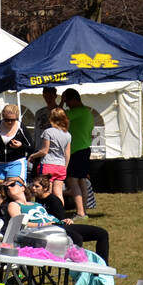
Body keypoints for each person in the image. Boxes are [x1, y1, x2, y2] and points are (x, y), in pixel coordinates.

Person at [30, 174, 110, 262]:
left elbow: (60, 219)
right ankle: (78, 263)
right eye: (33, 185)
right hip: (50, 229)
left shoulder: (54, 200)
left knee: (102, 233)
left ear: (45, 188)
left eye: (37, 186)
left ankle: (103, 265)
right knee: (77, 237)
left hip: (60, 226)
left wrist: (65, 220)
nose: (33, 188)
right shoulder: (38, 199)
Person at [62, 88, 94, 219]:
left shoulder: (77, 112)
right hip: (84, 149)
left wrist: (59, 103)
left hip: (76, 150)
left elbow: (57, 116)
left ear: (74, 99)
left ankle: (80, 212)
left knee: (72, 180)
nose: (67, 105)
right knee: (81, 181)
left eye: (67, 102)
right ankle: (83, 211)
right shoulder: (86, 112)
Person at [30, 106, 71, 205]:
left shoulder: (48, 132)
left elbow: (44, 151)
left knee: (45, 192)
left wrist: (33, 156)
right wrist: (65, 167)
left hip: (47, 164)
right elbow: (67, 153)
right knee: (58, 193)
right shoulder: (68, 134)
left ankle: (46, 213)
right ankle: (60, 213)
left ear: (51, 118)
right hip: (60, 166)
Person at [0, 104, 32, 181]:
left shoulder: (21, 128)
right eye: (6, 119)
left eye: (13, 120)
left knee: (14, 189)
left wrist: (21, 146)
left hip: (16, 163)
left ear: (17, 118)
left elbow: (31, 147)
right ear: (3, 117)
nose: (10, 122)